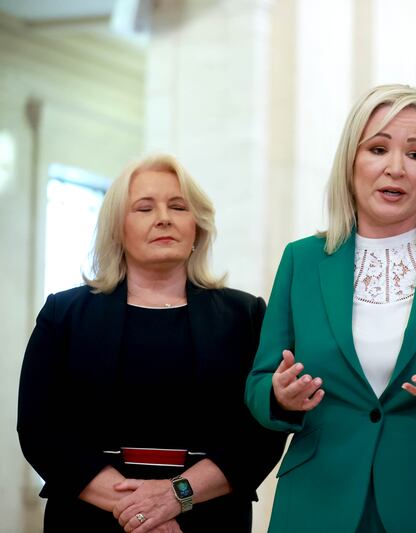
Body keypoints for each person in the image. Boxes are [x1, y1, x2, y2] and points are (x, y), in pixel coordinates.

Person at [245, 84, 416, 532]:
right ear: (351, 164)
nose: (395, 168)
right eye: (378, 148)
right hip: (320, 503)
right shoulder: (302, 260)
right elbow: (259, 383)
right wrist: (279, 396)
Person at [17, 154, 287, 532]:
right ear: (116, 228)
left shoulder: (245, 315)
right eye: (144, 208)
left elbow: (260, 434)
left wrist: (175, 497)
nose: (164, 217)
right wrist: (143, 510)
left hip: (209, 515)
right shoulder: (64, 314)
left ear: (197, 226)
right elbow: (39, 428)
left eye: (178, 206)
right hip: (89, 515)